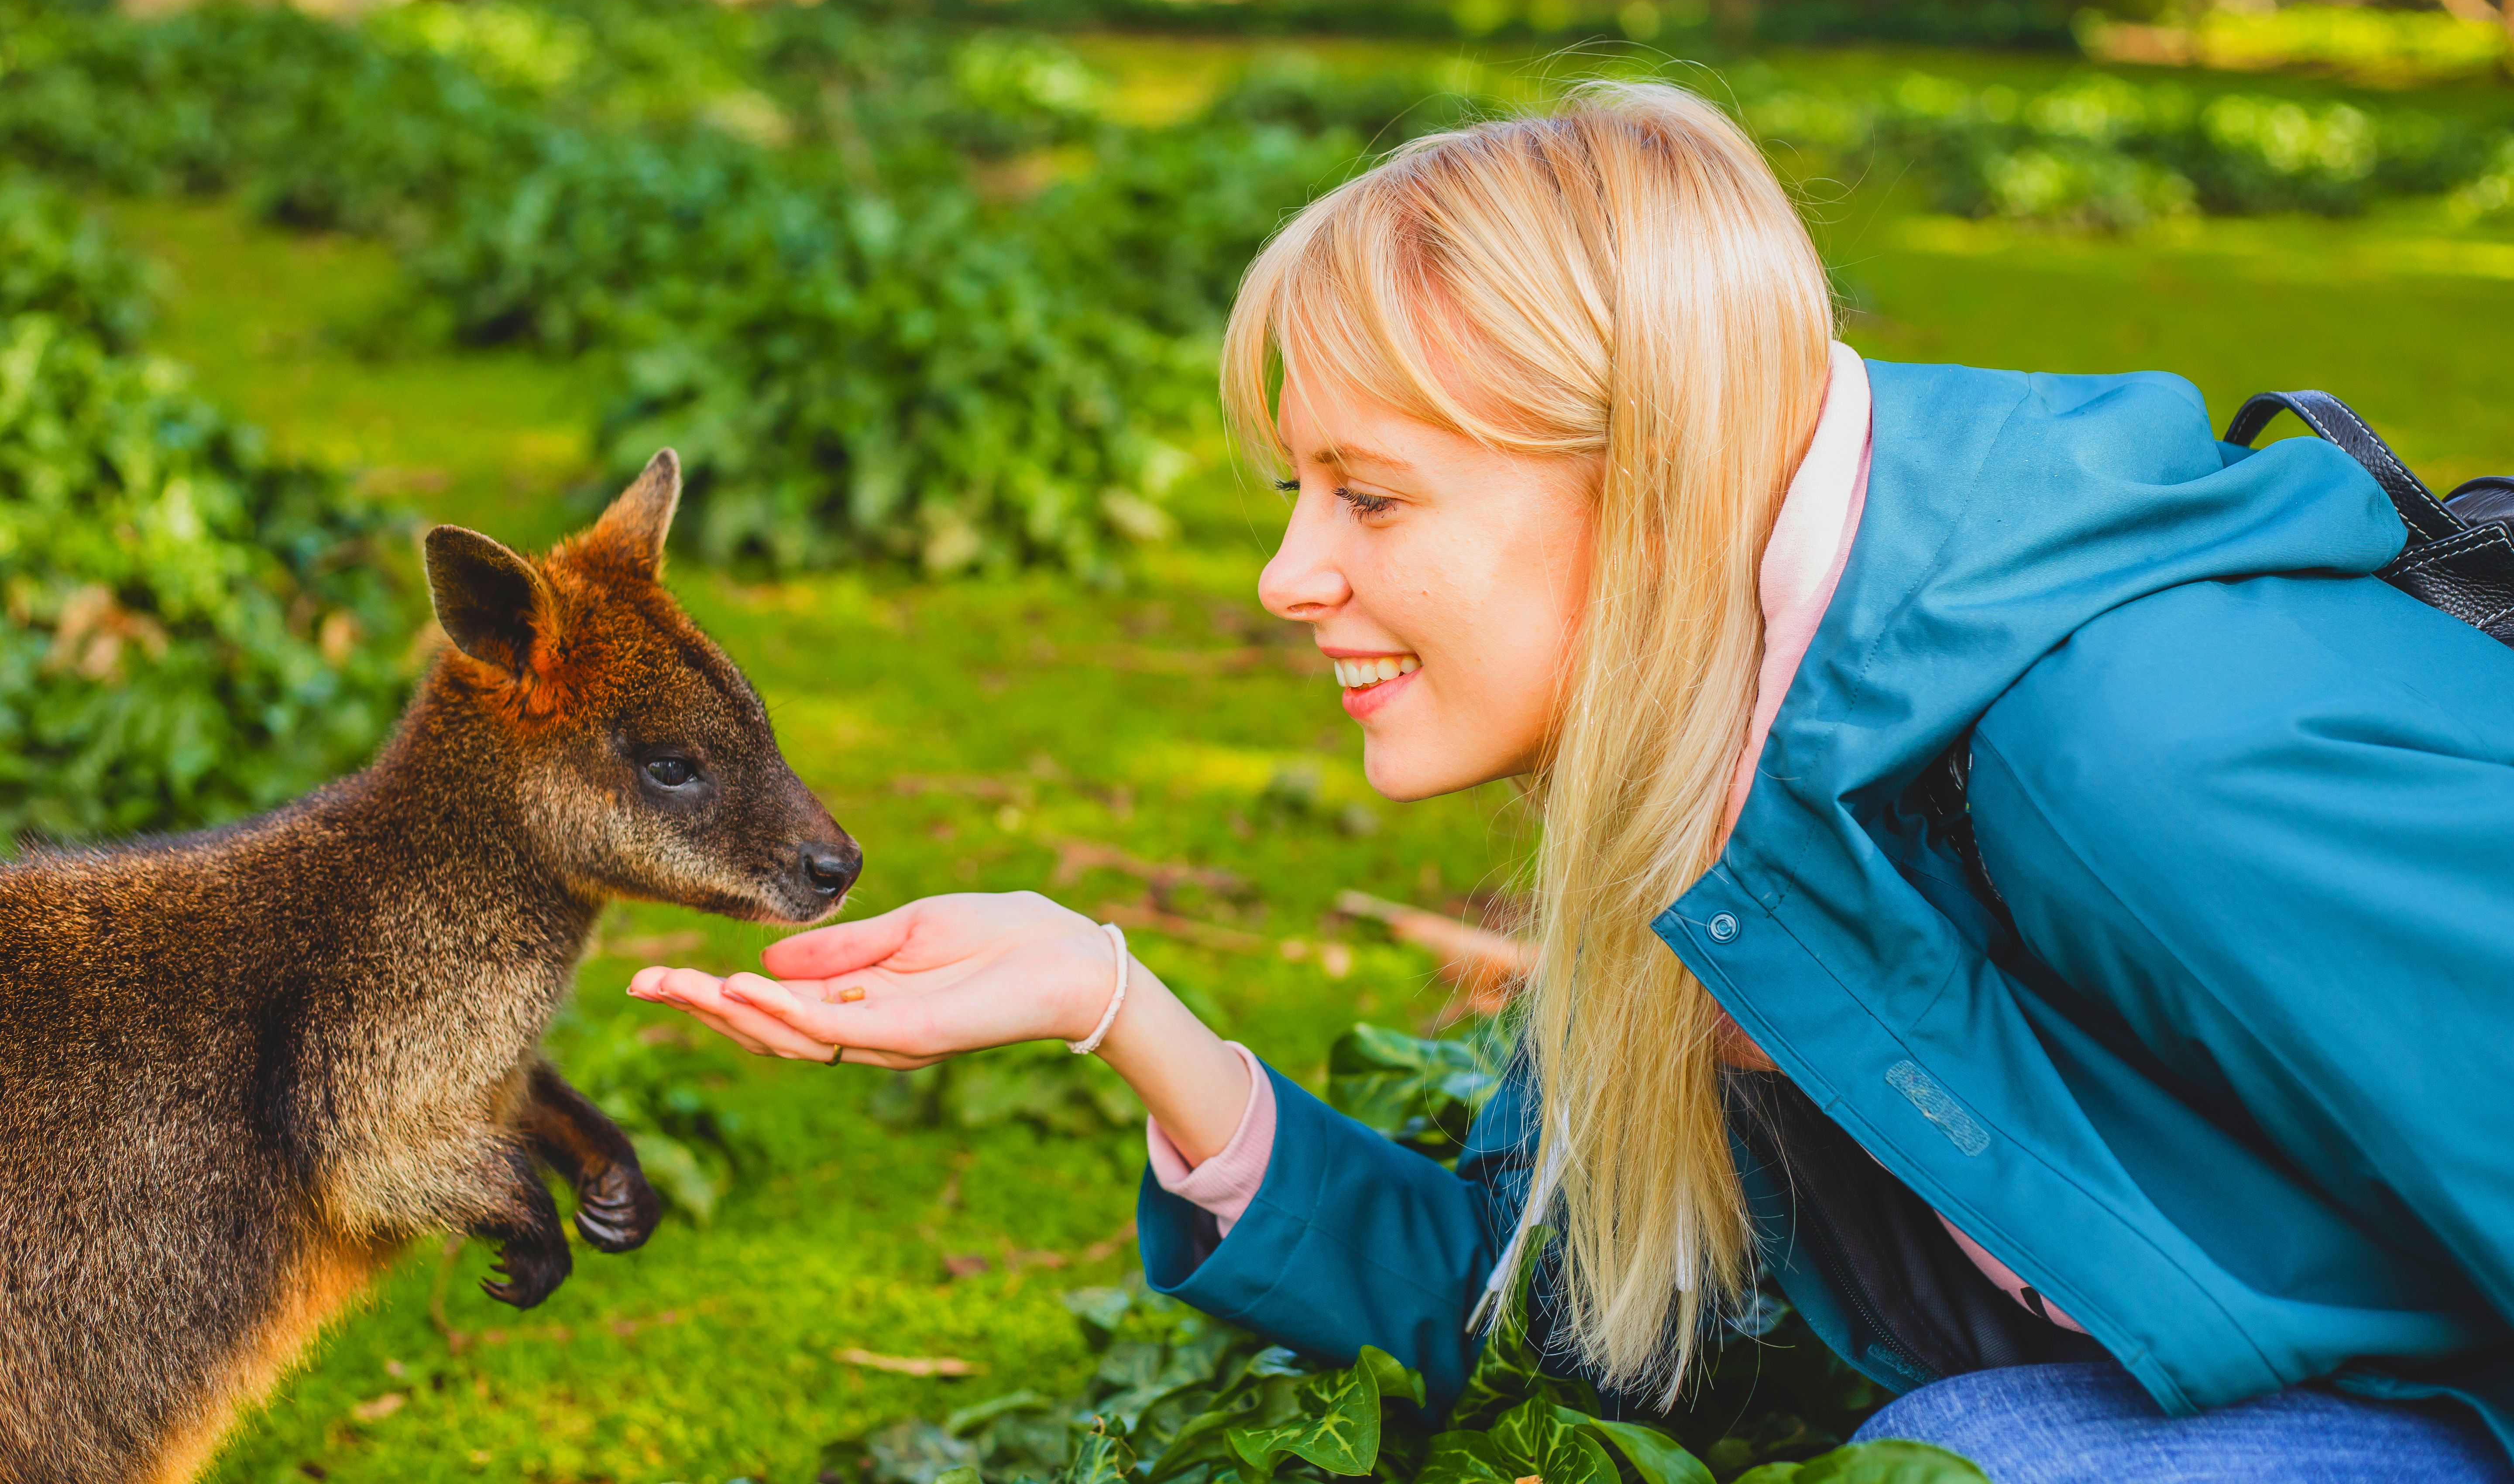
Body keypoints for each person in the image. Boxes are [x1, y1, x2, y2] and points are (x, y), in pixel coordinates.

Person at [630, 83, 2514, 1484]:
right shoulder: (1708, 772)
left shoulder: (2144, 744)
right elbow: (1580, 1319)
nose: (1289, 577)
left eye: (1367, 497)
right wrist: (1116, 1005)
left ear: (1646, 475)